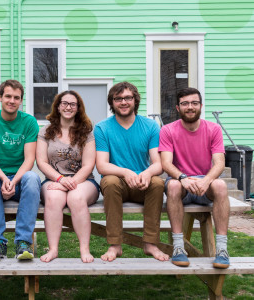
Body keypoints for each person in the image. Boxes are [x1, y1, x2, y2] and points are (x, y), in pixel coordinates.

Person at [95, 81, 169, 262]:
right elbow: (102, 166)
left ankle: (150, 243)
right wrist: (126, 172)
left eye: (127, 98)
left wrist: (148, 173)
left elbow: (158, 164)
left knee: (158, 182)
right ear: (112, 103)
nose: (123, 102)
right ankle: (115, 244)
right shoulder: (102, 128)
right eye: (118, 98)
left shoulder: (150, 127)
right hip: (117, 183)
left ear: (135, 100)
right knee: (110, 181)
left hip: (142, 183)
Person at [159, 87, 230, 268]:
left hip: (205, 184)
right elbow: (166, 163)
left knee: (221, 185)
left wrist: (206, 181)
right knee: (173, 186)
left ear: (201, 106)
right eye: (185, 103)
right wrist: (183, 178)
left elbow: (219, 163)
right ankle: (178, 247)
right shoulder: (168, 130)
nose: (190, 107)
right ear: (177, 108)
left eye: (194, 103)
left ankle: (222, 249)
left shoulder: (213, 129)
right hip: (181, 182)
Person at [0, 79, 41, 261]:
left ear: (21, 100)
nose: (12, 101)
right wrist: (4, 179)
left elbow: (30, 159)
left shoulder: (29, 122)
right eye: (8, 96)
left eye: (16, 97)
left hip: (20, 180)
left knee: (32, 178)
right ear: (0, 97)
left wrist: (13, 181)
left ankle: (23, 242)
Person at [36, 90, 99, 263]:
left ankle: (84, 249)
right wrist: (60, 180)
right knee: (54, 199)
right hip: (53, 179)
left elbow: (88, 165)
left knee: (76, 198)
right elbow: (41, 162)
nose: (68, 107)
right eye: (64, 103)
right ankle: (53, 249)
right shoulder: (45, 131)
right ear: (57, 106)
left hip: (84, 181)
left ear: (78, 108)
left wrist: (69, 183)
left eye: (73, 104)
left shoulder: (86, 132)